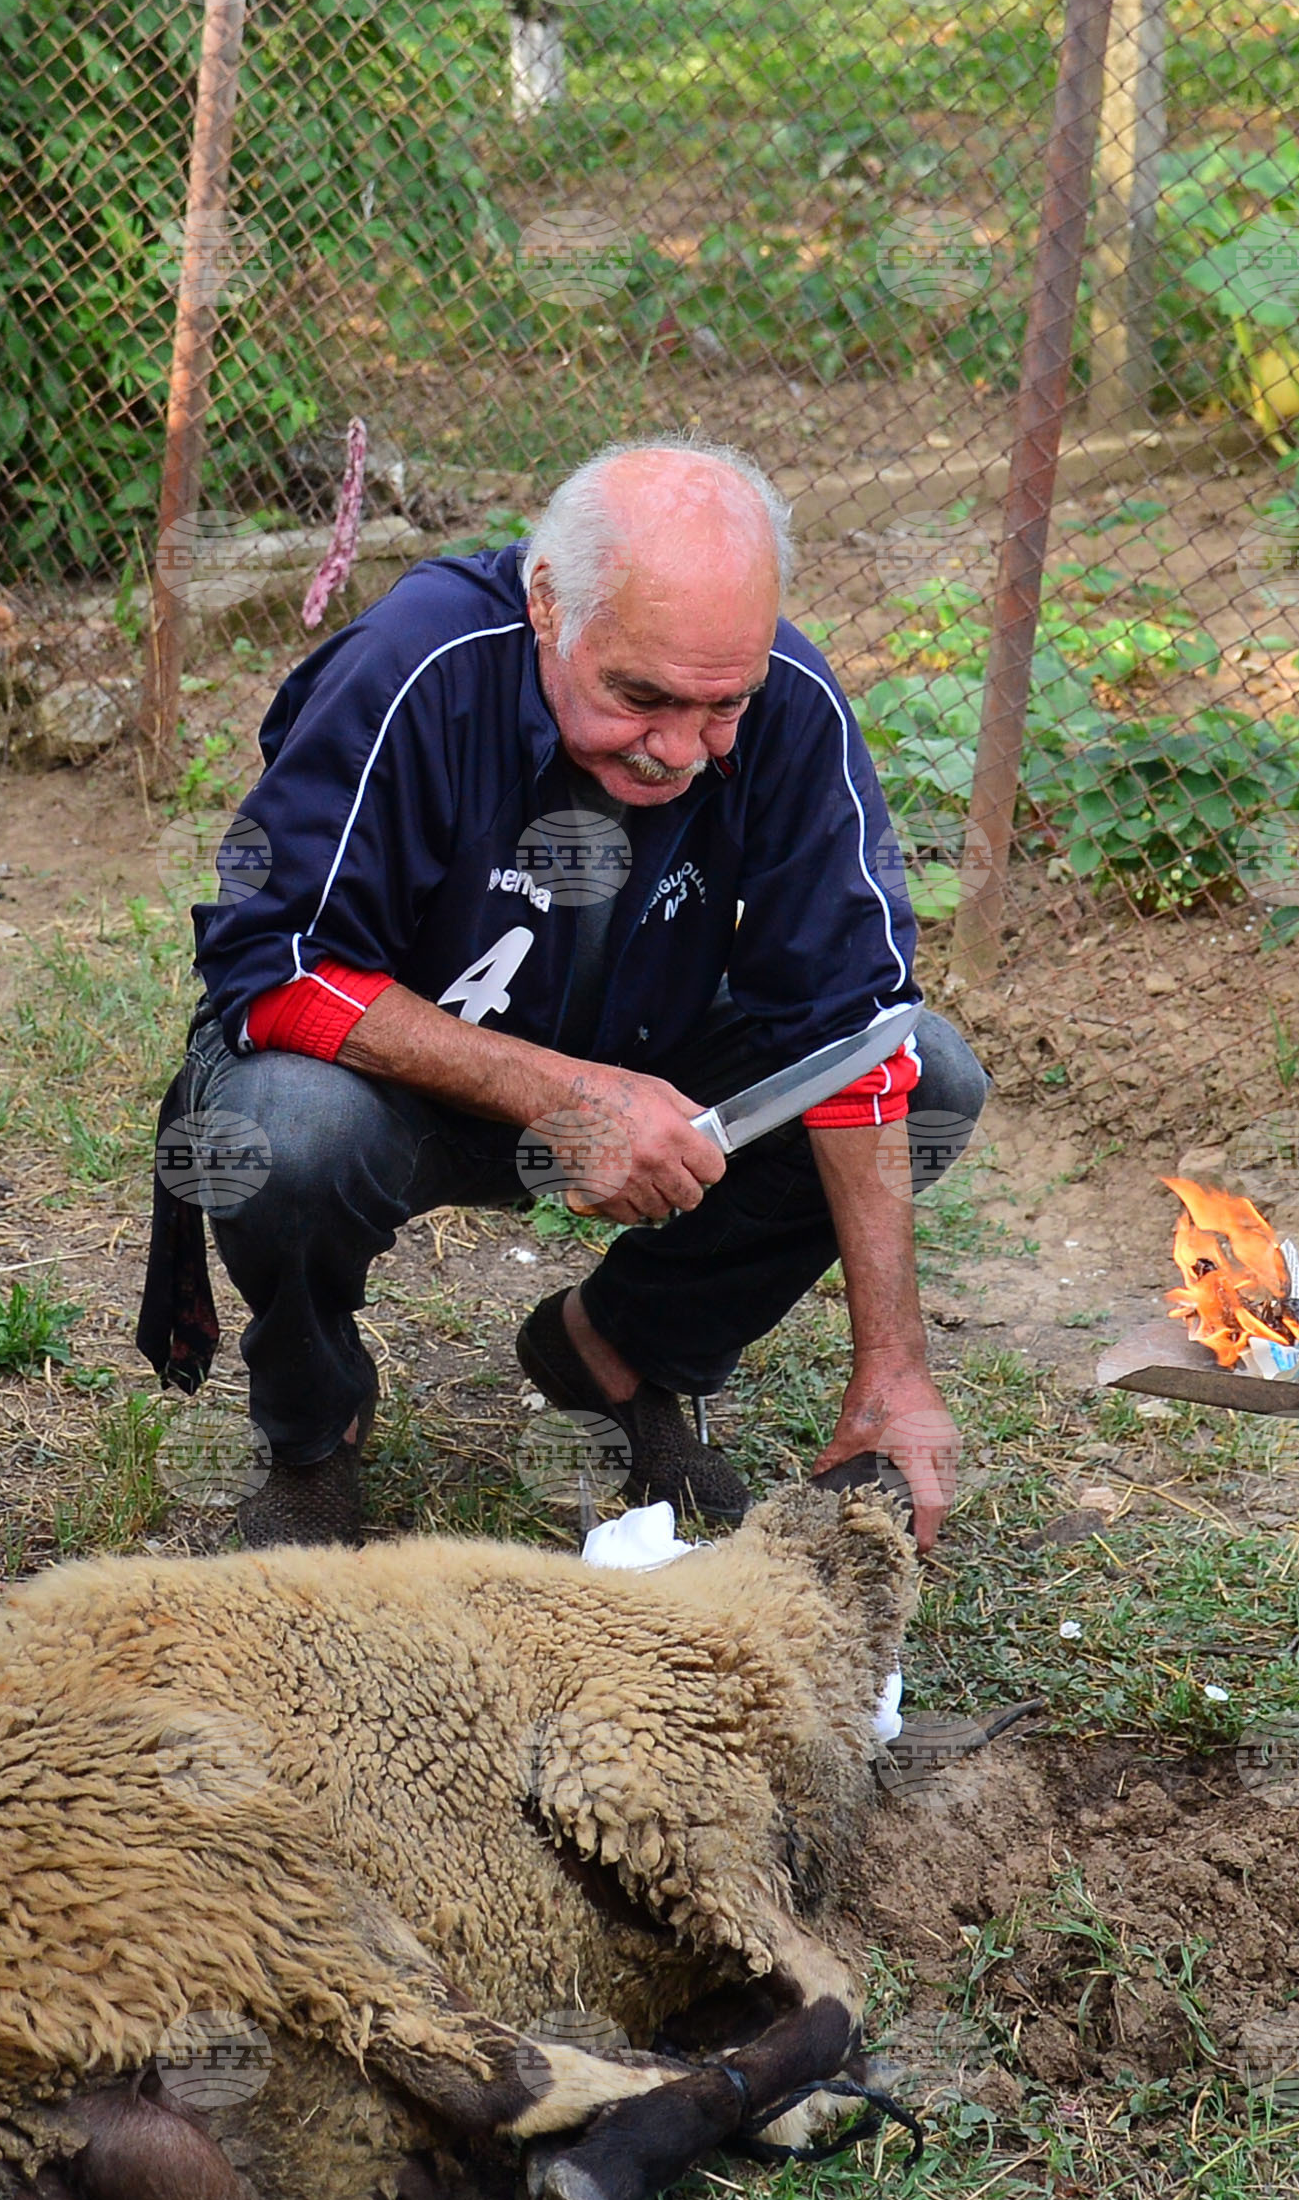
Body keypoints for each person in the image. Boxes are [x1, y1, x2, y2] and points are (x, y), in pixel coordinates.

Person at [136, 441, 982, 1555]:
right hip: (393, 1087)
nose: (681, 750)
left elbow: (855, 1033)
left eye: (723, 705)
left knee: (929, 1071)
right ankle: (313, 1427)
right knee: (278, 1135)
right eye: (639, 697)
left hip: (641, 1066)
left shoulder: (793, 703)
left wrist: (893, 1371)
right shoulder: (414, 664)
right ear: (548, 606)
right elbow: (271, 969)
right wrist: (569, 1094)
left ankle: (616, 1352)